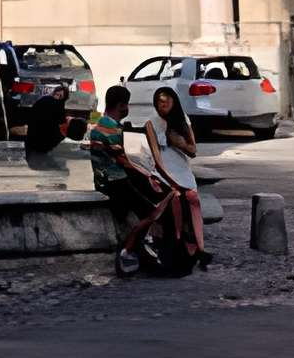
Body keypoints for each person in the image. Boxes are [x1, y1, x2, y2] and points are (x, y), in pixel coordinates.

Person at [90, 86, 166, 275]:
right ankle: (128, 249)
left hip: (102, 181)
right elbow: (123, 161)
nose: (127, 108)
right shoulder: (112, 129)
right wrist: (148, 175)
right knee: (152, 212)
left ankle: (140, 248)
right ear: (120, 105)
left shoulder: (98, 126)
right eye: (127, 104)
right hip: (117, 182)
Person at [145, 85, 210, 267]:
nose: (163, 105)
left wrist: (179, 143)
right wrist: (171, 181)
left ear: (174, 102)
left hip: (182, 171)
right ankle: (177, 246)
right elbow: (156, 157)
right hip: (164, 173)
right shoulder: (151, 123)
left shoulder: (182, 120)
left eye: (166, 101)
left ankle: (200, 248)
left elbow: (193, 150)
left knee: (193, 201)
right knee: (176, 202)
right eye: (159, 101)